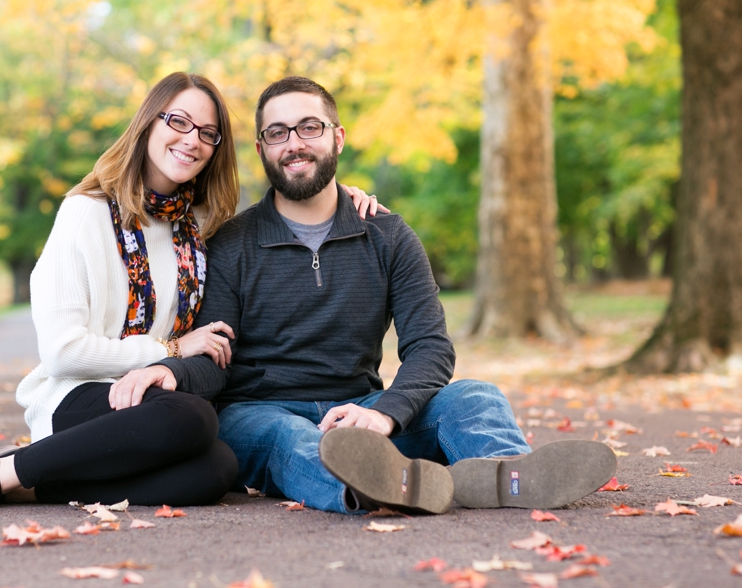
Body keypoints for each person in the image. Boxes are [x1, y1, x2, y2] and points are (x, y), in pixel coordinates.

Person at [114, 76, 616, 515]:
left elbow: (431, 348)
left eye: (310, 127)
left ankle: (504, 476)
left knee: (475, 395)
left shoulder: (388, 235)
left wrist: (384, 412)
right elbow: (213, 356)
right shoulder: (231, 243)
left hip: (361, 407)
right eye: (278, 133)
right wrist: (170, 368)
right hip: (259, 413)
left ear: (338, 137)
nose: (295, 143)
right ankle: (375, 486)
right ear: (263, 147)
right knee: (291, 438)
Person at [0, 72, 384, 514]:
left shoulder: (195, 225)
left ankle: (37, 483)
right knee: (193, 416)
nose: (191, 139)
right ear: (147, 124)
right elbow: (62, 354)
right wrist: (170, 350)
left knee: (217, 469)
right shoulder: (86, 214)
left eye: (207, 132)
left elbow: (302, 199)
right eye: (178, 121)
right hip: (78, 398)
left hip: (152, 408)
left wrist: (344, 199)